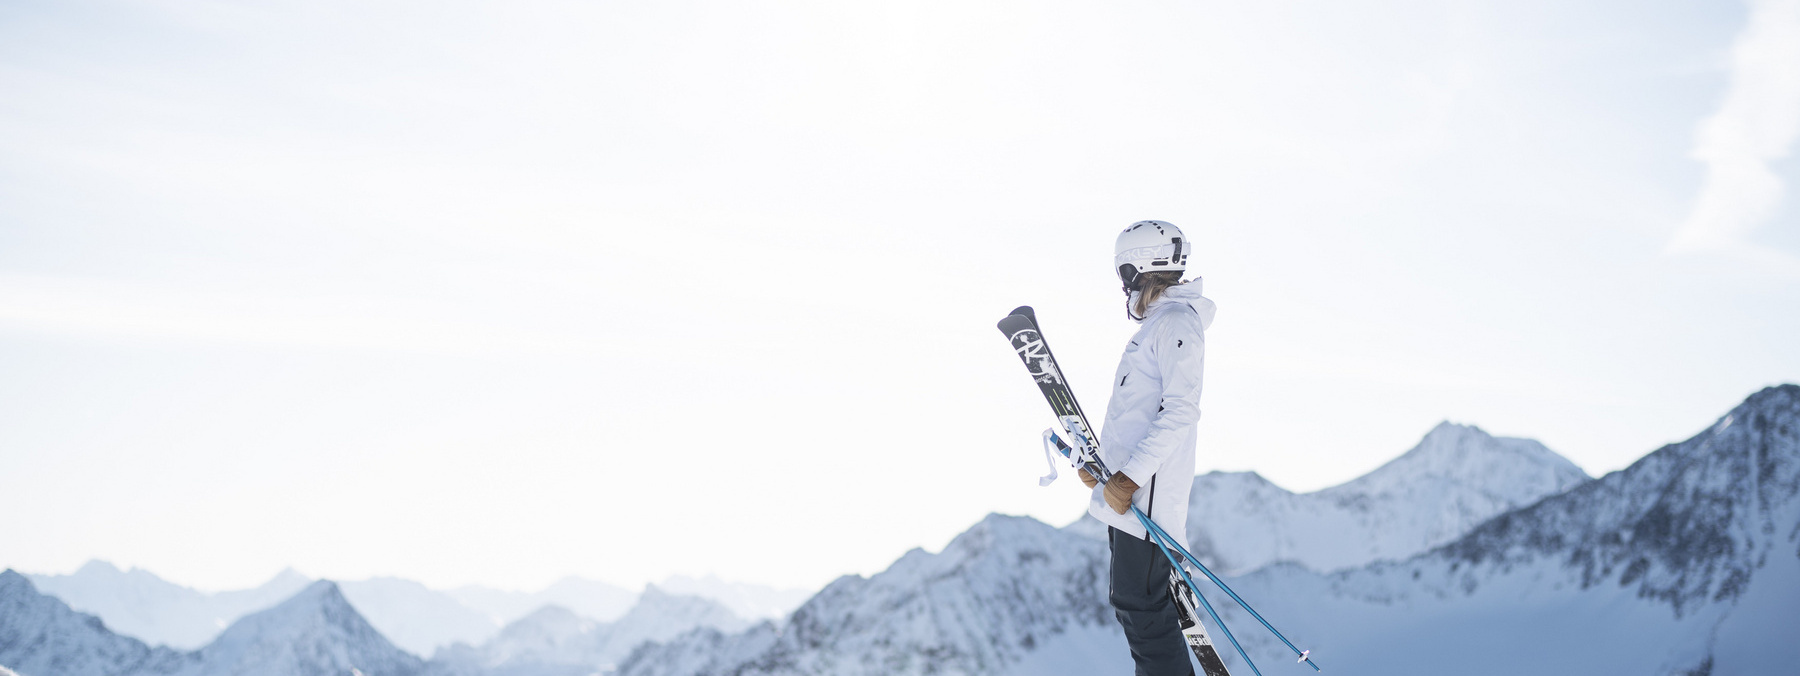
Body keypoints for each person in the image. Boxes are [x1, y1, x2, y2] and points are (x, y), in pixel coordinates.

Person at [1078, 220, 1215, 676]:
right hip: (1130, 493)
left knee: (1143, 609)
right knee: (1137, 607)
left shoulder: (1176, 324)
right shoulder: (1161, 325)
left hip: (1146, 500)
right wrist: (1105, 470)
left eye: (1125, 273)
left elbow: (1179, 412)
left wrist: (1130, 476)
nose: (1124, 286)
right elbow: (1136, 415)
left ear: (1142, 269)